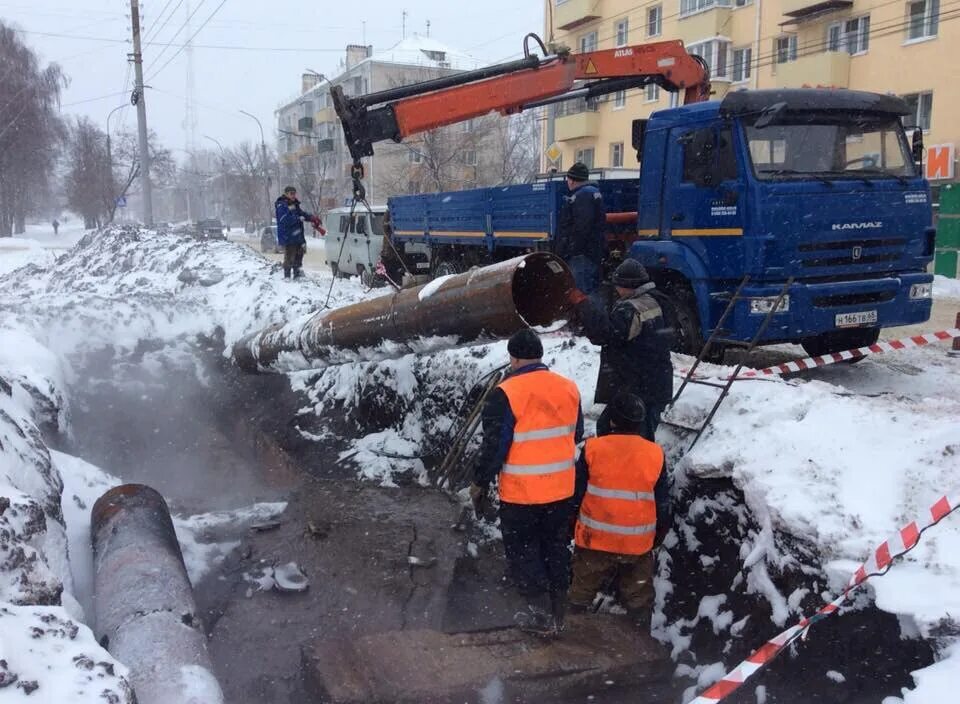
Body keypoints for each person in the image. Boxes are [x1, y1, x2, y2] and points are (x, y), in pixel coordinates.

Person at [470, 329, 584, 636]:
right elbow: (576, 434)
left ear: (514, 357)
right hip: (561, 490)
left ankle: (540, 615)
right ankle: (559, 610)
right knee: (555, 547)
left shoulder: (506, 393)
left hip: (523, 493)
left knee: (524, 550)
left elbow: (495, 447)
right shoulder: (569, 388)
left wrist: (480, 481)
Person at [568, 393, 670, 627]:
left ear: (611, 420)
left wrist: (568, 527)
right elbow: (662, 503)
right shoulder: (655, 454)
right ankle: (640, 644)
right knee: (639, 598)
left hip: (594, 540)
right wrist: (657, 536)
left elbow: (576, 494)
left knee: (580, 593)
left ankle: (571, 641)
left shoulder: (592, 449)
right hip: (637, 544)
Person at [569, 258, 673, 441]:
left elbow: (606, 334)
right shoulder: (658, 299)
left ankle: (637, 468)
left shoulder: (632, 308)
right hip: (653, 383)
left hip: (639, 386)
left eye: (617, 286)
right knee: (606, 427)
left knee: (635, 440)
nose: (616, 290)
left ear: (627, 285)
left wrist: (584, 305)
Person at [555, 161, 606, 294]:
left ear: (571, 180)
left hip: (582, 256)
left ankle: (586, 314)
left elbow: (581, 228)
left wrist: (571, 250)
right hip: (591, 253)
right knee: (590, 290)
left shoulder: (581, 196)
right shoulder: (593, 193)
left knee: (581, 293)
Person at [275, 186, 319, 279]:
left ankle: (297, 275)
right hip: (289, 236)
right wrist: (297, 219)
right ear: (286, 194)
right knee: (289, 257)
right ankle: (287, 277)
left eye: (294, 193)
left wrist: (311, 218)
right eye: (291, 193)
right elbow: (284, 219)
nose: (293, 195)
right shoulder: (281, 205)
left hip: (298, 236)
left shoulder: (294, 204)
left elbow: (301, 213)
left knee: (299, 255)